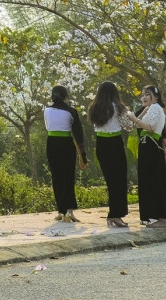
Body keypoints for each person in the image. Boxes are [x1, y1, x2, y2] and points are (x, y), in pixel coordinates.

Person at [88, 81, 131, 227]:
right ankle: (115, 215)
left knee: (110, 181)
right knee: (119, 181)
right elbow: (129, 127)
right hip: (115, 143)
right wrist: (130, 114)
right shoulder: (118, 107)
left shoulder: (94, 107)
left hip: (101, 144)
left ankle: (113, 215)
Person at [44, 85, 87, 222]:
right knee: (68, 177)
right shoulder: (71, 111)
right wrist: (83, 156)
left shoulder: (46, 110)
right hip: (66, 144)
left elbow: (48, 126)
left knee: (56, 177)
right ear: (66, 96)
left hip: (52, 144)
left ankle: (61, 210)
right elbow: (78, 135)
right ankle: (69, 211)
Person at [128, 84, 166, 227]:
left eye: (148, 94)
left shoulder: (156, 108)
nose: (144, 97)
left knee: (154, 182)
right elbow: (136, 126)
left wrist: (134, 118)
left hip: (151, 146)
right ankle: (153, 216)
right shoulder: (150, 108)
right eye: (143, 95)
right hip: (146, 146)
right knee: (147, 182)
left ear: (156, 96)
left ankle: (162, 219)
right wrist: (140, 114)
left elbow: (151, 127)